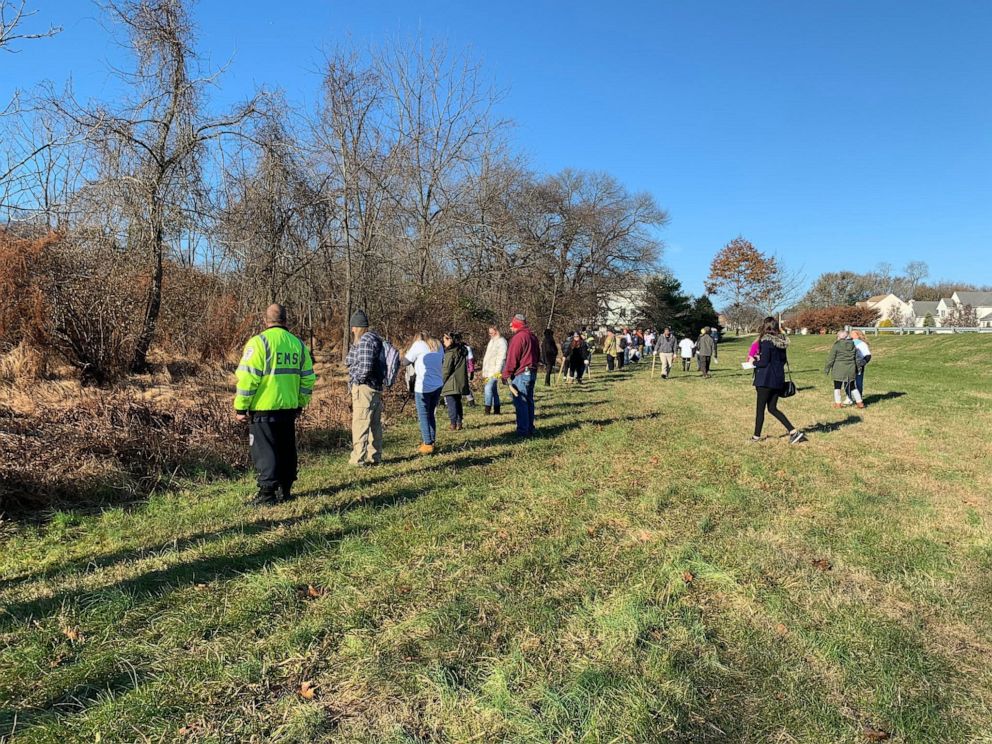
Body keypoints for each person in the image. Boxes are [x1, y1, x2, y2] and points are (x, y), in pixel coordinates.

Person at [234, 304, 317, 505]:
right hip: (289, 407)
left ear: (266, 321)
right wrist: (300, 402)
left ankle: (267, 494)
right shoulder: (298, 344)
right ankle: (285, 488)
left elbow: (247, 378)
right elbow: (308, 379)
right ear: (286, 320)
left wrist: (240, 406)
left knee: (265, 451)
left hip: (263, 408)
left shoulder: (259, 343)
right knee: (286, 448)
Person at [751, 317, 806, 444]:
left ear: (765, 327)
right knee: (772, 408)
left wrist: (754, 361)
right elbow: (782, 361)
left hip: (765, 380)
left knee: (760, 410)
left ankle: (756, 436)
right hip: (778, 379)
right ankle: (793, 432)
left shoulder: (765, 341)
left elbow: (764, 362)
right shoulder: (782, 343)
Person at [346, 309, 385, 467]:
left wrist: (356, 381)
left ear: (356, 327)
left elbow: (365, 367)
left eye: (353, 328)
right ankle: (375, 455)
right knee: (375, 424)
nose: (352, 330)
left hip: (364, 388)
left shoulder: (364, 342)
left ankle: (358, 459)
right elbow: (350, 359)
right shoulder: (375, 339)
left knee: (360, 423)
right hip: (375, 387)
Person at [404, 333, 444, 454]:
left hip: (423, 386)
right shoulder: (438, 345)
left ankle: (427, 443)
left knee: (423, 415)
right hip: (438, 384)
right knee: (431, 414)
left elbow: (405, 361)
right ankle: (431, 440)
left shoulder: (418, 345)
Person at [502, 313, 540, 436]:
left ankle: (523, 430)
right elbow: (538, 355)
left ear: (517, 325)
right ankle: (530, 428)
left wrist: (506, 374)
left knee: (521, 402)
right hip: (532, 372)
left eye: (512, 324)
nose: (510, 326)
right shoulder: (533, 337)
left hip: (522, 374)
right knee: (529, 401)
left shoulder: (519, 338)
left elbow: (512, 358)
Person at [824, 330, 864, 409]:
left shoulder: (837, 345)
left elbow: (831, 359)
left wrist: (827, 369)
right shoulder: (853, 345)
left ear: (839, 337)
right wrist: (859, 368)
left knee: (837, 387)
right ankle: (860, 403)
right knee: (853, 387)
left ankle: (838, 403)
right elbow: (857, 359)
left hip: (838, 369)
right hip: (850, 369)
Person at [441, 332, 470, 430]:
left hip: (451, 382)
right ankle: (459, 422)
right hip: (460, 381)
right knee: (458, 402)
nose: (443, 342)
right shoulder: (461, 351)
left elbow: (446, 370)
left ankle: (453, 424)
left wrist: (441, 382)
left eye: (445, 339)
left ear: (450, 340)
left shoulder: (450, 353)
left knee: (451, 403)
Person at [482, 325, 508, 414]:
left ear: (496, 331)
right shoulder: (492, 341)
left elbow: (502, 358)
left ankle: (487, 410)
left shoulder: (502, 342)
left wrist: (498, 371)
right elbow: (487, 357)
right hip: (488, 370)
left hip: (495, 370)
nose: (490, 334)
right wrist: (484, 370)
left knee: (487, 388)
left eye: (491, 332)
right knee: (493, 390)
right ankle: (497, 409)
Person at [850, 329, 872, 397]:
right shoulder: (848, 343)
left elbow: (868, 355)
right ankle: (849, 397)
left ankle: (859, 398)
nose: (850, 334)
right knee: (849, 382)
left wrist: (863, 363)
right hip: (849, 365)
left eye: (852, 333)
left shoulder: (862, 344)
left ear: (857, 335)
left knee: (858, 382)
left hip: (859, 365)